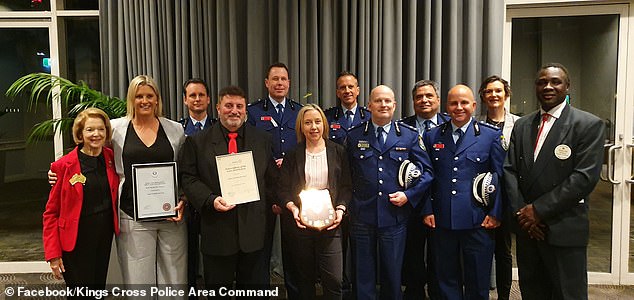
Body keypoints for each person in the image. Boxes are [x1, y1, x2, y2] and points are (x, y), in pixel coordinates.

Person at [504, 63, 605, 300]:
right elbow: (509, 170)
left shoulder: (588, 125)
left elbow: (583, 178)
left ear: (567, 87)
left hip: (563, 228)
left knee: (567, 294)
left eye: (555, 81)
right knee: (533, 292)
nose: (548, 86)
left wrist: (537, 211)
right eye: (541, 82)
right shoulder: (522, 125)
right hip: (529, 230)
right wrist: (524, 214)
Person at [179, 85, 278, 291]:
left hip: (254, 232)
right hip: (217, 231)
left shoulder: (262, 140)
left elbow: (271, 180)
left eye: (239, 106)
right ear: (217, 107)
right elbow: (188, 178)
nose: (234, 111)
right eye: (228, 106)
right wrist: (210, 199)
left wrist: (281, 201)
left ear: (245, 110)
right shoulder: (197, 142)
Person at [345, 85, 433, 299]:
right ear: (369, 105)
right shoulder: (355, 135)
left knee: (392, 274)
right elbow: (345, 175)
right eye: (378, 101)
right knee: (363, 274)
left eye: (387, 101)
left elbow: (427, 172)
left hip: (394, 217)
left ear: (394, 105)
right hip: (362, 216)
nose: (383, 105)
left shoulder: (409, 136)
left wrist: (408, 196)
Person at [422, 84, 505, 300]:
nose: (459, 107)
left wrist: (495, 213)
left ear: (474, 105)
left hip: (478, 221)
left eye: (464, 103)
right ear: (446, 106)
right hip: (442, 220)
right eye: (453, 103)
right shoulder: (432, 136)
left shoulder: (490, 136)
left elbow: (500, 177)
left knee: (478, 279)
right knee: (445, 279)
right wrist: (427, 210)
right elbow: (428, 177)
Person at [111, 75, 187, 287]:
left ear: (157, 99)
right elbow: (89, 152)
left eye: (149, 96)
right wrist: (58, 172)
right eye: (139, 96)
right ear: (131, 99)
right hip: (132, 215)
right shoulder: (115, 129)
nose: (144, 101)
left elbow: (184, 170)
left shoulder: (175, 129)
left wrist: (184, 199)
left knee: (174, 282)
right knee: (138, 283)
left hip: (171, 215)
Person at [279, 104, 352, 299]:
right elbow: (283, 189)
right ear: (301, 127)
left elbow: (346, 186)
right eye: (308, 122)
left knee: (334, 280)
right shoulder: (293, 154)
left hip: (331, 224)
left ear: (324, 125)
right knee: (304, 280)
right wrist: (292, 208)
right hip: (301, 225)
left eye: (318, 122)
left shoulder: (338, 152)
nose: (313, 127)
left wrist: (341, 210)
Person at [43, 108, 119, 293]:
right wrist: (53, 254)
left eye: (101, 129)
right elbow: (51, 213)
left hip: (103, 238)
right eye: (90, 130)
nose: (96, 134)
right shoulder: (63, 166)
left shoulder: (111, 158)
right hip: (76, 241)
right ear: (80, 133)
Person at [247, 62, 302, 298]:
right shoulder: (253, 112)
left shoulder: (299, 111)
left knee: (294, 248)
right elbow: (247, 146)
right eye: (275, 79)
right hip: (264, 187)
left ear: (289, 83)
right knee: (261, 247)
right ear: (267, 83)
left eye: (284, 79)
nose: (280, 83)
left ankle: (296, 293)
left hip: (293, 188)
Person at [398, 79, 449, 300]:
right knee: (412, 254)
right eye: (419, 97)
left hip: (442, 203)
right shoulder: (401, 128)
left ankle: (438, 293)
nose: (424, 100)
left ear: (438, 100)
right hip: (412, 203)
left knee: (441, 255)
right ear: (413, 101)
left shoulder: (450, 125)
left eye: (429, 96)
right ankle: (414, 293)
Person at [476, 75, 519, 300]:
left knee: (503, 251)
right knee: (480, 249)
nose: (494, 95)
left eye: (498, 91)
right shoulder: (474, 124)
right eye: (489, 91)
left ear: (506, 94)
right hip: (480, 196)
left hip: (508, 195)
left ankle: (504, 296)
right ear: (483, 96)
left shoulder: (520, 125)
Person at [178, 78, 215, 297]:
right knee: (188, 253)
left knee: (213, 254)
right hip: (187, 202)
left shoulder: (218, 128)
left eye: (201, 95)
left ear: (209, 99)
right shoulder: (177, 130)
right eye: (192, 95)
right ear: (185, 100)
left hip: (211, 200)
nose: (197, 99)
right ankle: (190, 291)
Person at [324, 71, 371, 145]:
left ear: (357, 91)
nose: (347, 91)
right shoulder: (327, 117)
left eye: (350, 87)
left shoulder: (369, 117)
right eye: (343, 88)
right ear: (338, 93)